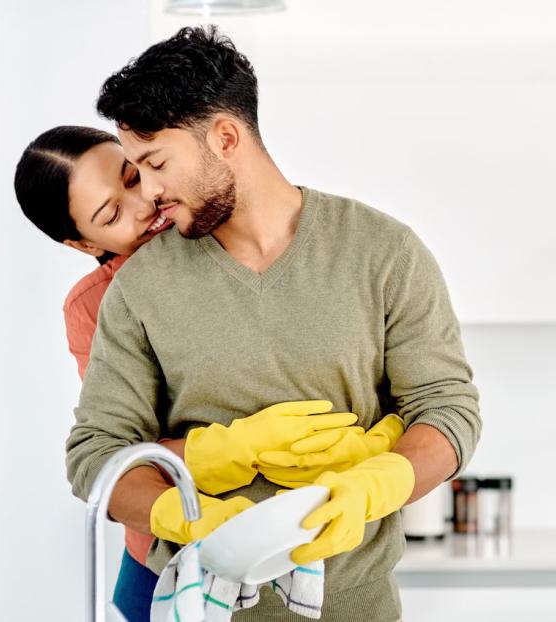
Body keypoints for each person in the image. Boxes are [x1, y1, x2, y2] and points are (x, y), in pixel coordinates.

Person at [66, 24, 481, 621]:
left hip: (354, 608)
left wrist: (378, 484)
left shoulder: (383, 252)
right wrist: (184, 515)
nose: (150, 192)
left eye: (155, 164)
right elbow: (95, 456)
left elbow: (447, 410)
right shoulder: (140, 288)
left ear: (226, 137)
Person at [15, 127, 404, 621]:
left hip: (322, 553)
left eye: (135, 175)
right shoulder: (99, 306)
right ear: (82, 243)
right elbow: (122, 453)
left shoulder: (258, 238)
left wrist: (375, 444)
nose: (145, 203)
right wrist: (232, 449)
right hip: (169, 559)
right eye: (110, 215)